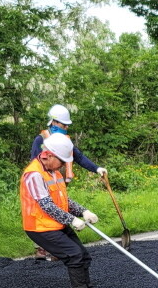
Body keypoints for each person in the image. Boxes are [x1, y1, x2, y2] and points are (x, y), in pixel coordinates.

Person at [20, 133, 111, 288]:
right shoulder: (34, 174)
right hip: (40, 227)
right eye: (62, 161)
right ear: (49, 155)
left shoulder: (53, 172)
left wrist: (83, 211)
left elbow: (63, 200)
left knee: (83, 255)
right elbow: (46, 205)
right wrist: (72, 220)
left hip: (55, 223)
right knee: (73, 255)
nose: (63, 165)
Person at [31, 104, 107, 260]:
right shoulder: (41, 140)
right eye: (63, 124)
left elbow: (78, 157)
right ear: (53, 122)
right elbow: (35, 163)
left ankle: (57, 248)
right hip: (42, 183)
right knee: (45, 209)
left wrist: (96, 168)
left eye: (67, 125)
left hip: (58, 182)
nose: (66, 127)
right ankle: (41, 248)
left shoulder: (66, 140)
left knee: (59, 207)